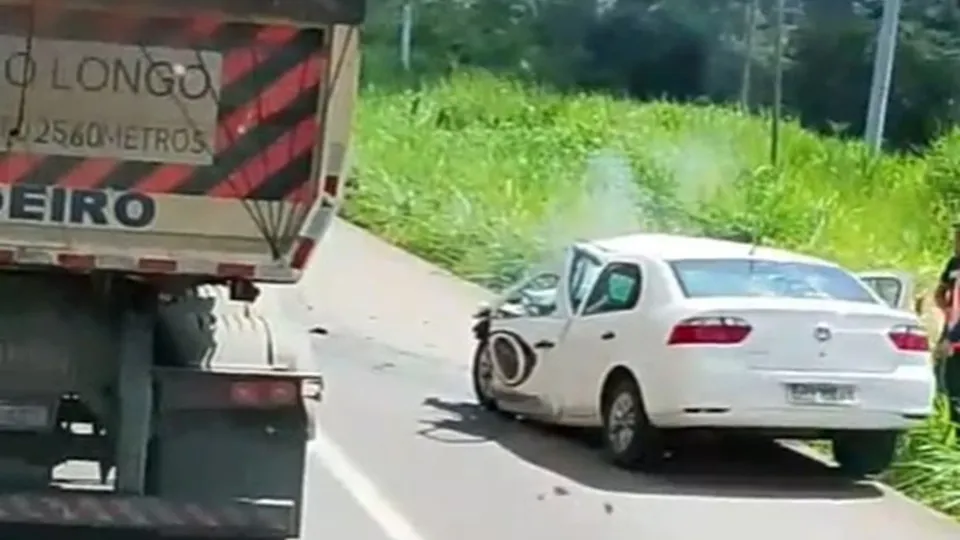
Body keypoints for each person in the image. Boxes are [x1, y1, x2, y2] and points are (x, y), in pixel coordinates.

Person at [934, 222, 960, 440]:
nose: (957, 242)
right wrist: (946, 310)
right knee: (946, 383)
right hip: (952, 328)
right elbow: (940, 292)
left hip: (956, 336)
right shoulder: (954, 264)